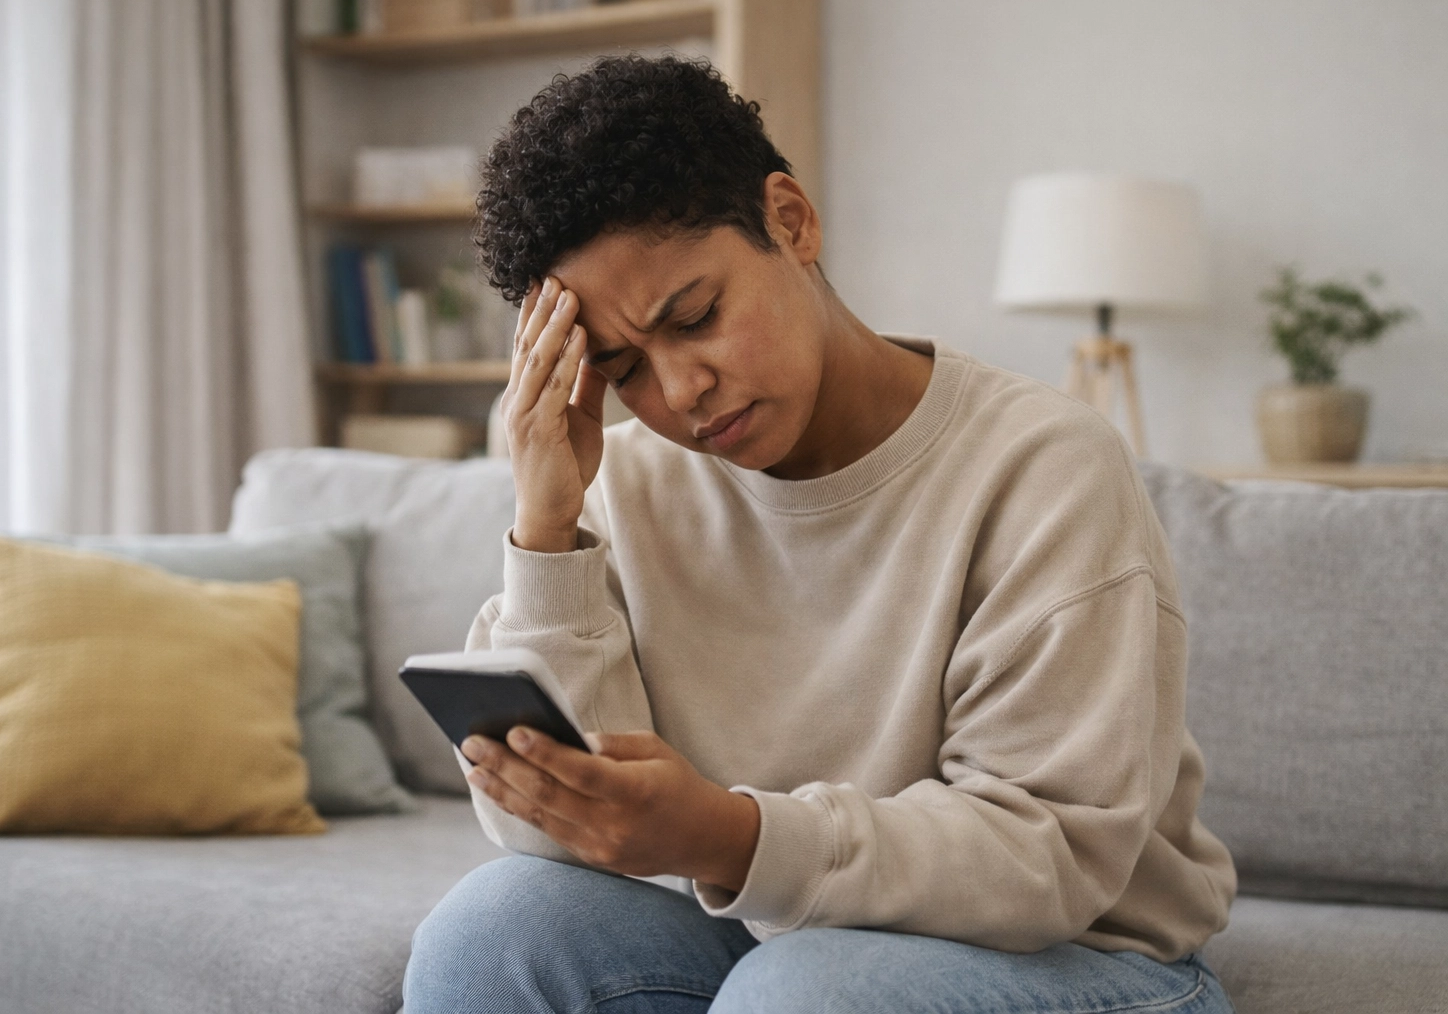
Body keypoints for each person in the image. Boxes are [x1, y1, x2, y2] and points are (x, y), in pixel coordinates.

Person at [404, 53, 1238, 1013]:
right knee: (492, 932)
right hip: (776, 940)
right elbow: (559, 839)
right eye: (623, 367)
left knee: (802, 995)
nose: (677, 392)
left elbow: (1045, 858)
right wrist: (546, 531)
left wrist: (730, 836)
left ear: (790, 220)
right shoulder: (618, 486)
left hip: (1081, 955)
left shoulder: (1042, 468)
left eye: (697, 317)